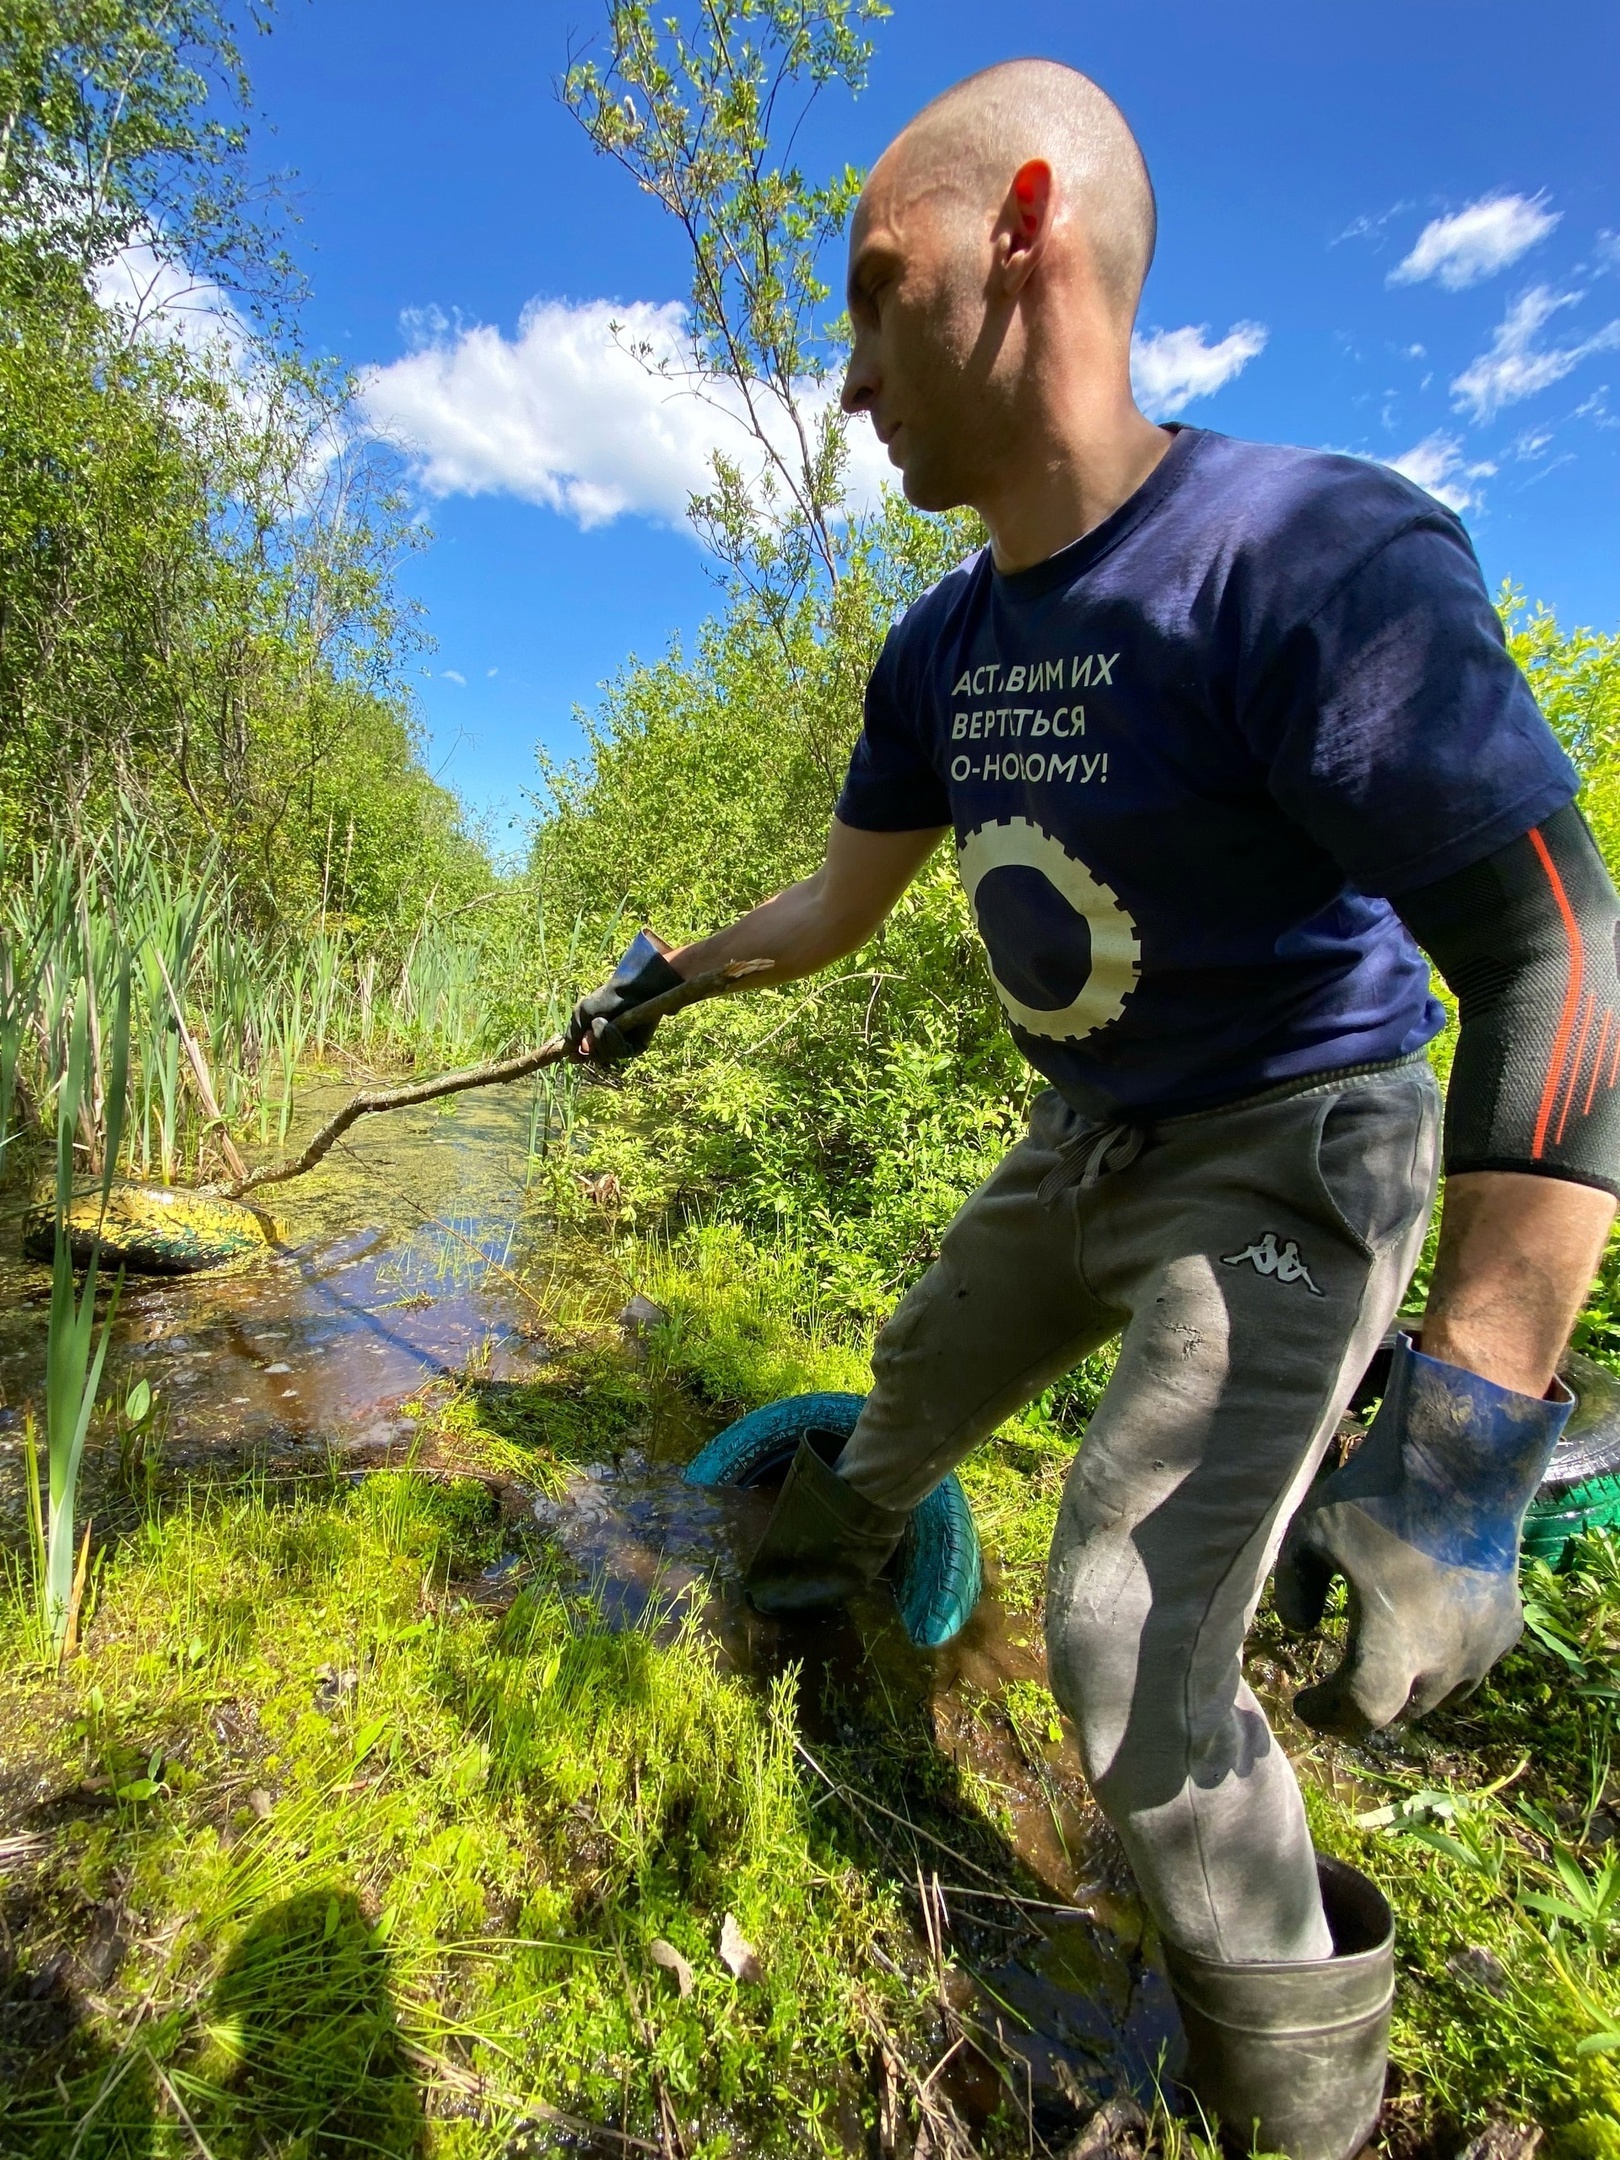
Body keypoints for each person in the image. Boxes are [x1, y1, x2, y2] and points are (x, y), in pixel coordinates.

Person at [568, 59, 1620, 2160]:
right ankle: (813, 1594)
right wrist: (668, 979)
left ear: (1022, 230)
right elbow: (847, 905)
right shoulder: (944, 646)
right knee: (918, 1372)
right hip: (1089, 1143)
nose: (850, 373)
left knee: (1125, 1628)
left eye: (876, 292)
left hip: (1290, 1162)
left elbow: (1557, 954)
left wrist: (1477, 1431)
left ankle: (1301, 2106)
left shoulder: (1302, 559)